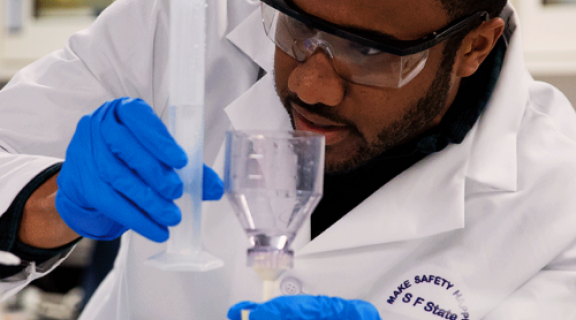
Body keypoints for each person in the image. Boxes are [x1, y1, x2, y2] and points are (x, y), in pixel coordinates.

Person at [1, 0, 576, 318]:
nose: (311, 85)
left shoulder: (558, 195)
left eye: (372, 52)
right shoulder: (178, 27)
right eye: (295, 25)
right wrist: (46, 206)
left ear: (474, 46)